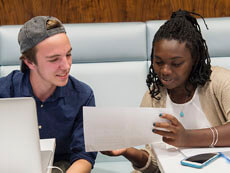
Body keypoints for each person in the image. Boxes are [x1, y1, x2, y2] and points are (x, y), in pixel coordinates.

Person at [102, 9, 230, 172]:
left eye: (176, 63)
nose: (165, 71)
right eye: (158, 62)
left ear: (195, 59)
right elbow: (154, 166)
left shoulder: (221, 82)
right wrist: (128, 151)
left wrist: (187, 138)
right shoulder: (153, 97)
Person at [0, 16, 97, 173]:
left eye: (68, 54)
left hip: (62, 167)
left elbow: (83, 157)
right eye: (54, 59)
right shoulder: (4, 91)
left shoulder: (83, 95)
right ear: (29, 62)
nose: (66, 66)